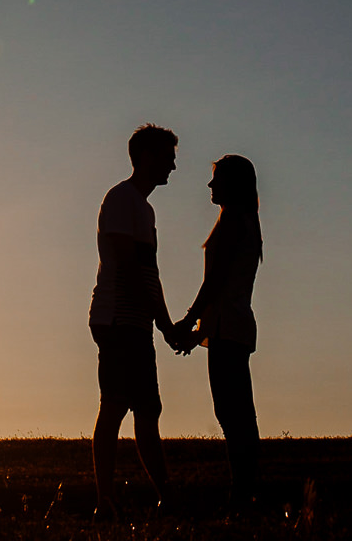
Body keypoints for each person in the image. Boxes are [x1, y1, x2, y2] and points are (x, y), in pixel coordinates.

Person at [88, 123, 188, 511]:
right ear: (147, 157)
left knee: (148, 408)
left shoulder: (144, 209)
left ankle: (166, 496)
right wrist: (164, 324)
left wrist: (163, 324)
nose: (173, 167)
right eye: (168, 158)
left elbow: (149, 274)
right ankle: (105, 500)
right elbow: (129, 269)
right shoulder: (120, 200)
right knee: (114, 405)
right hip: (116, 320)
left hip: (137, 322)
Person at [174, 154, 263, 503]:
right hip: (232, 327)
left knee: (232, 412)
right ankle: (244, 489)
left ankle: (243, 491)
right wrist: (198, 332)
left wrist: (188, 319)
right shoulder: (245, 222)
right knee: (236, 410)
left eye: (217, 179)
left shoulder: (232, 222)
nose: (210, 186)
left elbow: (214, 283)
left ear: (232, 184)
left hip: (228, 328)